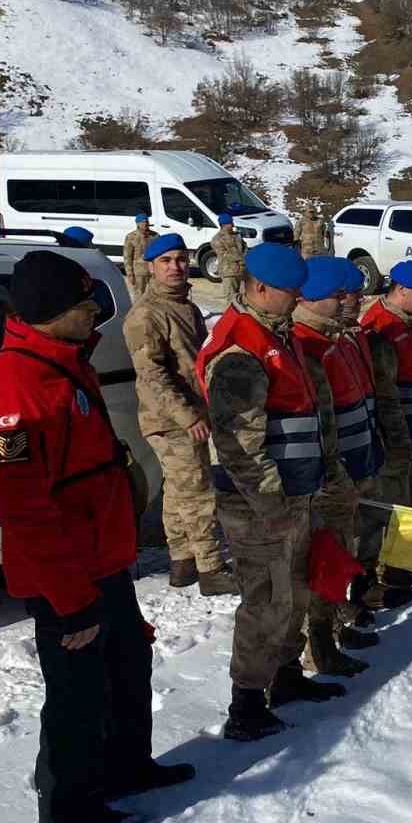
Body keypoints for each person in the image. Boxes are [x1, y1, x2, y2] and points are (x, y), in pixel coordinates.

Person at [0, 251, 195, 823]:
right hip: (66, 576)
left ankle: (127, 769)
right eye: (84, 304)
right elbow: (25, 510)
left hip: (105, 559)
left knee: (127, 665)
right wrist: (70, 601)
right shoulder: (15, 388)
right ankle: (70, 813)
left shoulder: (66, 359)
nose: (97, 312)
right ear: (52, 312)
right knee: (77, 698)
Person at [197, 243, 345, 741]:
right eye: (291, 292)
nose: (298, 300)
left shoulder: (275, 334)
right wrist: (272, 508)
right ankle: (246, 703)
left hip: (294, 495)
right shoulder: (241, 352)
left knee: (295, 589)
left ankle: (285, 676)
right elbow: (239, 446)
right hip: (259, 505)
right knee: (265, 600)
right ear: (260, 288)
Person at [122, 233, 236, 596]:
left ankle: (182, 561)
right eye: (165, 261)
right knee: (199, 492)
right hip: (171, 420)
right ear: (151, 266)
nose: (175, 267)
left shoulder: (182, 305)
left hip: (187, 412)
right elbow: (151, 375)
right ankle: (211, 568)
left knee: (178, 490)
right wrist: (187, 415)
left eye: (180, 259)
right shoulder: (147, 314)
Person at [292, 258, 386, 677]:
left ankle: (334, 626)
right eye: (342, 295)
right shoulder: (307, 343)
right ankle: (319, 643)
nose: (352, 301)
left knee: (341, 550)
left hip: (347, 465)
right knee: (326, 558)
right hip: (328, 476)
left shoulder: (337, 338)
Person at [360, 261, 412, 512]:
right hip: (400, 434)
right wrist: (396, 439)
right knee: (398, 502)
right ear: (402, 289)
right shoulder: (382, 326)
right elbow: (384, 393)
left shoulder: (410, 320)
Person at [121, 214, 158, 295]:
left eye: (146, 222)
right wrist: (130, 275)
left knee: (154, 295)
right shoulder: (131, 237)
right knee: (139, 296)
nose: (145, 224)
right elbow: (127, 257)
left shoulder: (155, 236)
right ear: (137, 224)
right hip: (139, 273)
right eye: (142, 222)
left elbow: (159, 254)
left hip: (153, 272)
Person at [212, 213, 246, 300]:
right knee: (231, 299)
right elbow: (224, 254)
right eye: (230, 223)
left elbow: (245, 248)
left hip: (242, 271)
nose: (233, 225)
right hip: (229, 272)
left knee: (243, 298)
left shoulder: (237, 236)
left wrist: (246, 258)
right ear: (224, 225)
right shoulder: (217, 239)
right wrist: (242, 259)